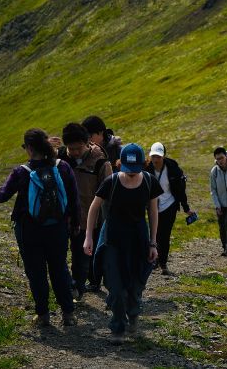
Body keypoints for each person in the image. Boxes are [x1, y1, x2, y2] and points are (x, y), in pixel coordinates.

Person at [0, 128, 80, 327]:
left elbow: (5, 193)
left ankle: (43, 314)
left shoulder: (22, 171)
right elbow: (73, 198)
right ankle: (68, 313)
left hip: (29, 229)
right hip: (57, 228)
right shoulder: (62, 167)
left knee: (36, 272)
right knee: (59, 269)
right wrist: (76, 223)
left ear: (29, 148)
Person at [83, 143, 161, 343]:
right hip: (113, 240)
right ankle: (118, 327)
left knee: (135, 284)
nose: (131, 173)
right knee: (115, 286)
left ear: (143, 164)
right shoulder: (111, 182)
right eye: (128, 168)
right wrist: (89, 237)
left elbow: (153, 212)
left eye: (135, 169)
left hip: (138, 240)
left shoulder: (149, 182)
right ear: (119, 164)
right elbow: (94, 207)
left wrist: (153, 243)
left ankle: (133, 314)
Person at [58, 122, 112, 297]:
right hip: (61, 217)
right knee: (58, 256)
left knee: (80, 258)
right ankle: (68, 287)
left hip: (86, 220)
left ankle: (78, 290)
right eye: (71, 149)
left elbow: (109, 192)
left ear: (87, 142)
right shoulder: (59, 159)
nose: (74, 152)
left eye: (78, 148)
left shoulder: (100, 162)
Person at [145, 142, 196, 276]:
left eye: (158, 157)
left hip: (169, 204)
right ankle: (154, 260)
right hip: (153, 206)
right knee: (154, 234)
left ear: (164, 156)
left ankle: (163, 263)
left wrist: (186, 207)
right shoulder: (146, 168)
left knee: (164, 235)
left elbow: (180, 189)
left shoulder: (173, 168)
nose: (155, 159)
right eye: (153, 156)